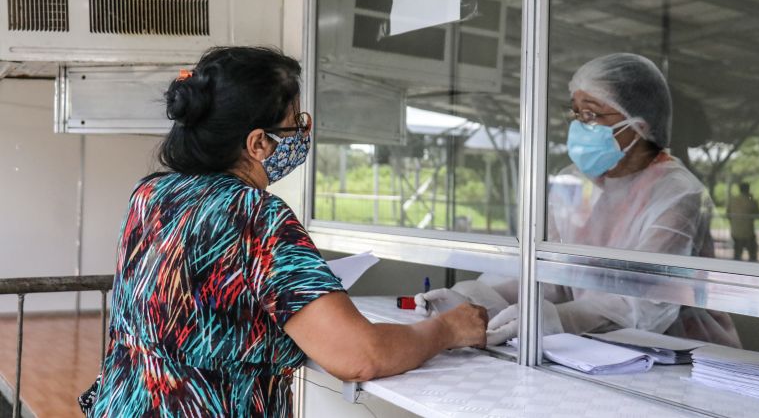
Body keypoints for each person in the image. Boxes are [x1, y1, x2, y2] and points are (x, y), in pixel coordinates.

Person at [84, 47, 487, 418]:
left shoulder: (151, 194)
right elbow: (358, 354)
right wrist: (446, 329)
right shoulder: (254, 215)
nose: (302, 133)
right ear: (258, 143)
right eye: (296, 123)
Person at [417, 53, 740, 348]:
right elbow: (547, 274)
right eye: (575, 112)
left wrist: (560, 318)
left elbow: (647, 304)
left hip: (681, 356)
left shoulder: (677, 193)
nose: (577, 126)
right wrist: (473, 300)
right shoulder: (572, 183)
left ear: (637, 127)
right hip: (594, 350)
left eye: (590, 115)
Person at [727, 182, 759, 261]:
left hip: (735, 232)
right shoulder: (751, 201)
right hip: (748, 233)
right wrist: (752, 198)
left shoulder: (733, 200)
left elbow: (728, 214)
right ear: (748, 189)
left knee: (737, 255)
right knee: (753, 254)